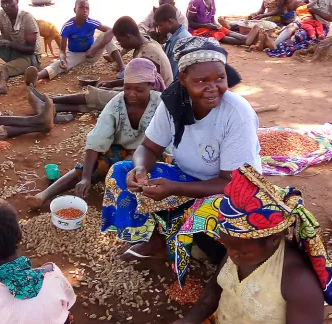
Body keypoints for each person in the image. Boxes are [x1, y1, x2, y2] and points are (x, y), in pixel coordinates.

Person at [101, 37, 261, 272]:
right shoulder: (173, 103)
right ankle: (151, 237)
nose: (212, 87)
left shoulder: (236, 114)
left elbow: (232, 183)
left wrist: (174, 188)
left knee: (217, 221)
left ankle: (204, 249)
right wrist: (140, 168)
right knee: (121, 171)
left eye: (219, 78)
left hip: (234, 191)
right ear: (184, 79)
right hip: (189, 178)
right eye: (201, 80)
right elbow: (149, 148)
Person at [172, 164, 332, 324]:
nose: (231, 255)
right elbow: (212, 293)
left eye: (241, 251)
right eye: (227, 245)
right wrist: (188, 321)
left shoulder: (299, 283)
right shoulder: (238, 248)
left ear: (274, 239)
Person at [26, 58, 166, 209]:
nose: (131, 94)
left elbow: (169, 143)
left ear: (151, 86)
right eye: (127, 88)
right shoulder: (117, 104)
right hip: (119, 151)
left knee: (137, 174)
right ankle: (43, 196)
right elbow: (97, 138)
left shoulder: (161, 104)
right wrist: (86, 178)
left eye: (139, 90)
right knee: (90, 167)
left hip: (151, 155)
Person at [34, 16, 174, 114]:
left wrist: (113, 86)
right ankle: (51, 103)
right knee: (101, 96)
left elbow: (139, 86)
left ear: (129, 37)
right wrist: (112, 84)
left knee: (97, 95)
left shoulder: (148, 54)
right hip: (145, 93)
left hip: (154, 102)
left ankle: (50, 102)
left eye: (120, 40)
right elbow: (139, 81)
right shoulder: (147, 42)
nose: (120, 44)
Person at [24, 0, 125, 84]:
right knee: (59, 64)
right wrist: (63, 59)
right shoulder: (67, 26)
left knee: (106, 35)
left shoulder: (91, 22)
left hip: (92, 53)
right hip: (75, 55)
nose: (85, 11)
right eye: (81, 8)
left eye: (87, 8)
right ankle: (36, 77)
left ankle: (122, 68)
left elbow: (111, 30)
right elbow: (62, 50)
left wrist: (95, 49)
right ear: (74, 10)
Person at [264, 0, 332, 57]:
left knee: (299, 36)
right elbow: (295, 6)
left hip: (320, 26)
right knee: (291, 27)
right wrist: (297, 16)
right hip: (305, 21)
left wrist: (314, 10)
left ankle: (275, 45)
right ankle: (274, 44)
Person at [154, 4, 192, 80]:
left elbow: (173, 73)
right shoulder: (174, 36)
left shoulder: (181, 40)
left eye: (160, 25)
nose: (158, 29)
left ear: (170, 22)